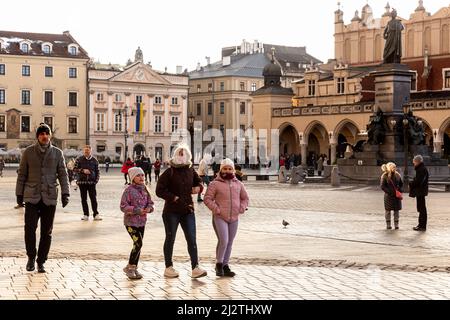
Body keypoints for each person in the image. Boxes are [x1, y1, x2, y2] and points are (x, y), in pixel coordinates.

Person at [15, 123, 70, 273]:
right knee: (29, 229)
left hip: (50, 196)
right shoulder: (28, 152)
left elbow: (63, 175)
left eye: (47, 133)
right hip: (31, 196)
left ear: (50, 135)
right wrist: (19, 194)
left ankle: (41, 261)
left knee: (47, 231)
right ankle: (31, 257)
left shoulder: (58, 153)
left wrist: (66, 193)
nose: (45, 136)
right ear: (37, 136)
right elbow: (22, 175)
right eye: (41, 134)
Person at [155, 144, 207, 279]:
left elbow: (199, 182)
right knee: (170, 238)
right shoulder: (169, 172)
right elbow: (159, 190)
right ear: (175, 155)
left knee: (191, 239)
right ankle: (168, 267)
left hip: (188, 209)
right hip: (171, 211)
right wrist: (173, 197)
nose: (181, 156)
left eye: (184, 154)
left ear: (188, 156)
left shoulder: (191, 170)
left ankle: (195, 267)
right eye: (179, 153)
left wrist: (198, 188)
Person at [204, 158, 249, 277]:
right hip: (220, 217)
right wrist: (216, 209)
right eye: (225, 168)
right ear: (221, 169)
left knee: (230, 242)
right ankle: (219, 264)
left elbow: (245, 198)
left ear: (233, 170)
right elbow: (207, 198)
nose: (227, 171)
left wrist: (242, 208)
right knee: (223, 240)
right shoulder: (215, 184)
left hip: (234, 217)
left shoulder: (238, 184)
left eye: (230, 168)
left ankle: (225, 265)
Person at [120, 167, 154, 280]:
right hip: (130, 223)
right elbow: (123, 206)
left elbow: (151, 203)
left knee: (138, 245)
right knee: (138, 243)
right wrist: (135, 210)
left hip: (142, 222)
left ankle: (134, 267)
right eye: (138, 175)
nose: (141, 177)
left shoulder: (145, 189)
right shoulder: (128, 190)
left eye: (142, 175)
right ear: (132, 178)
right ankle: (129, 267)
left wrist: (149, 209)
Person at [73, 145, 102, 221]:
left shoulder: (95, 160)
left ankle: (96, 214)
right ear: (83, 151)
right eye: (85, 151)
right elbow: (74, 169)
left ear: (90, 151)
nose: (86, 152)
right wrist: (82, 170)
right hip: (82, 182)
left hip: (92, 183)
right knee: (83, 199)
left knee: (93, 199)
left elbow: (98, 172)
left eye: (88, 151)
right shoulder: (79, 159)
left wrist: (96, 181)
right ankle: (86, 214)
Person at [380, 162, 403, 230]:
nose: (395, 168)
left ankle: (396, 224)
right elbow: (382, 186)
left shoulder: (397, 175)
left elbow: (401, 184)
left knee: (396, 211)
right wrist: (389, 192)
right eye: (393, 167)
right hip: (388, 196)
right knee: (388, 211)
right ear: (389, 168)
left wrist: (399, 190)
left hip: (396, 196)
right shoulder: (384, 175)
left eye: (395, 167)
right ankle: (388, 224)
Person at [409, 155, 429, 231]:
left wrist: (411, 183)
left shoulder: (421, 169)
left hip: (420, 192)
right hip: (420, 191)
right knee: (421, 208)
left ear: (417, 162)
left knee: (422, 209)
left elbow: (419, 181)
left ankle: (422, 226)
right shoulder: (420, 169)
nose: (413, 163)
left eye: (414, 162)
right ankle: (420, 224)